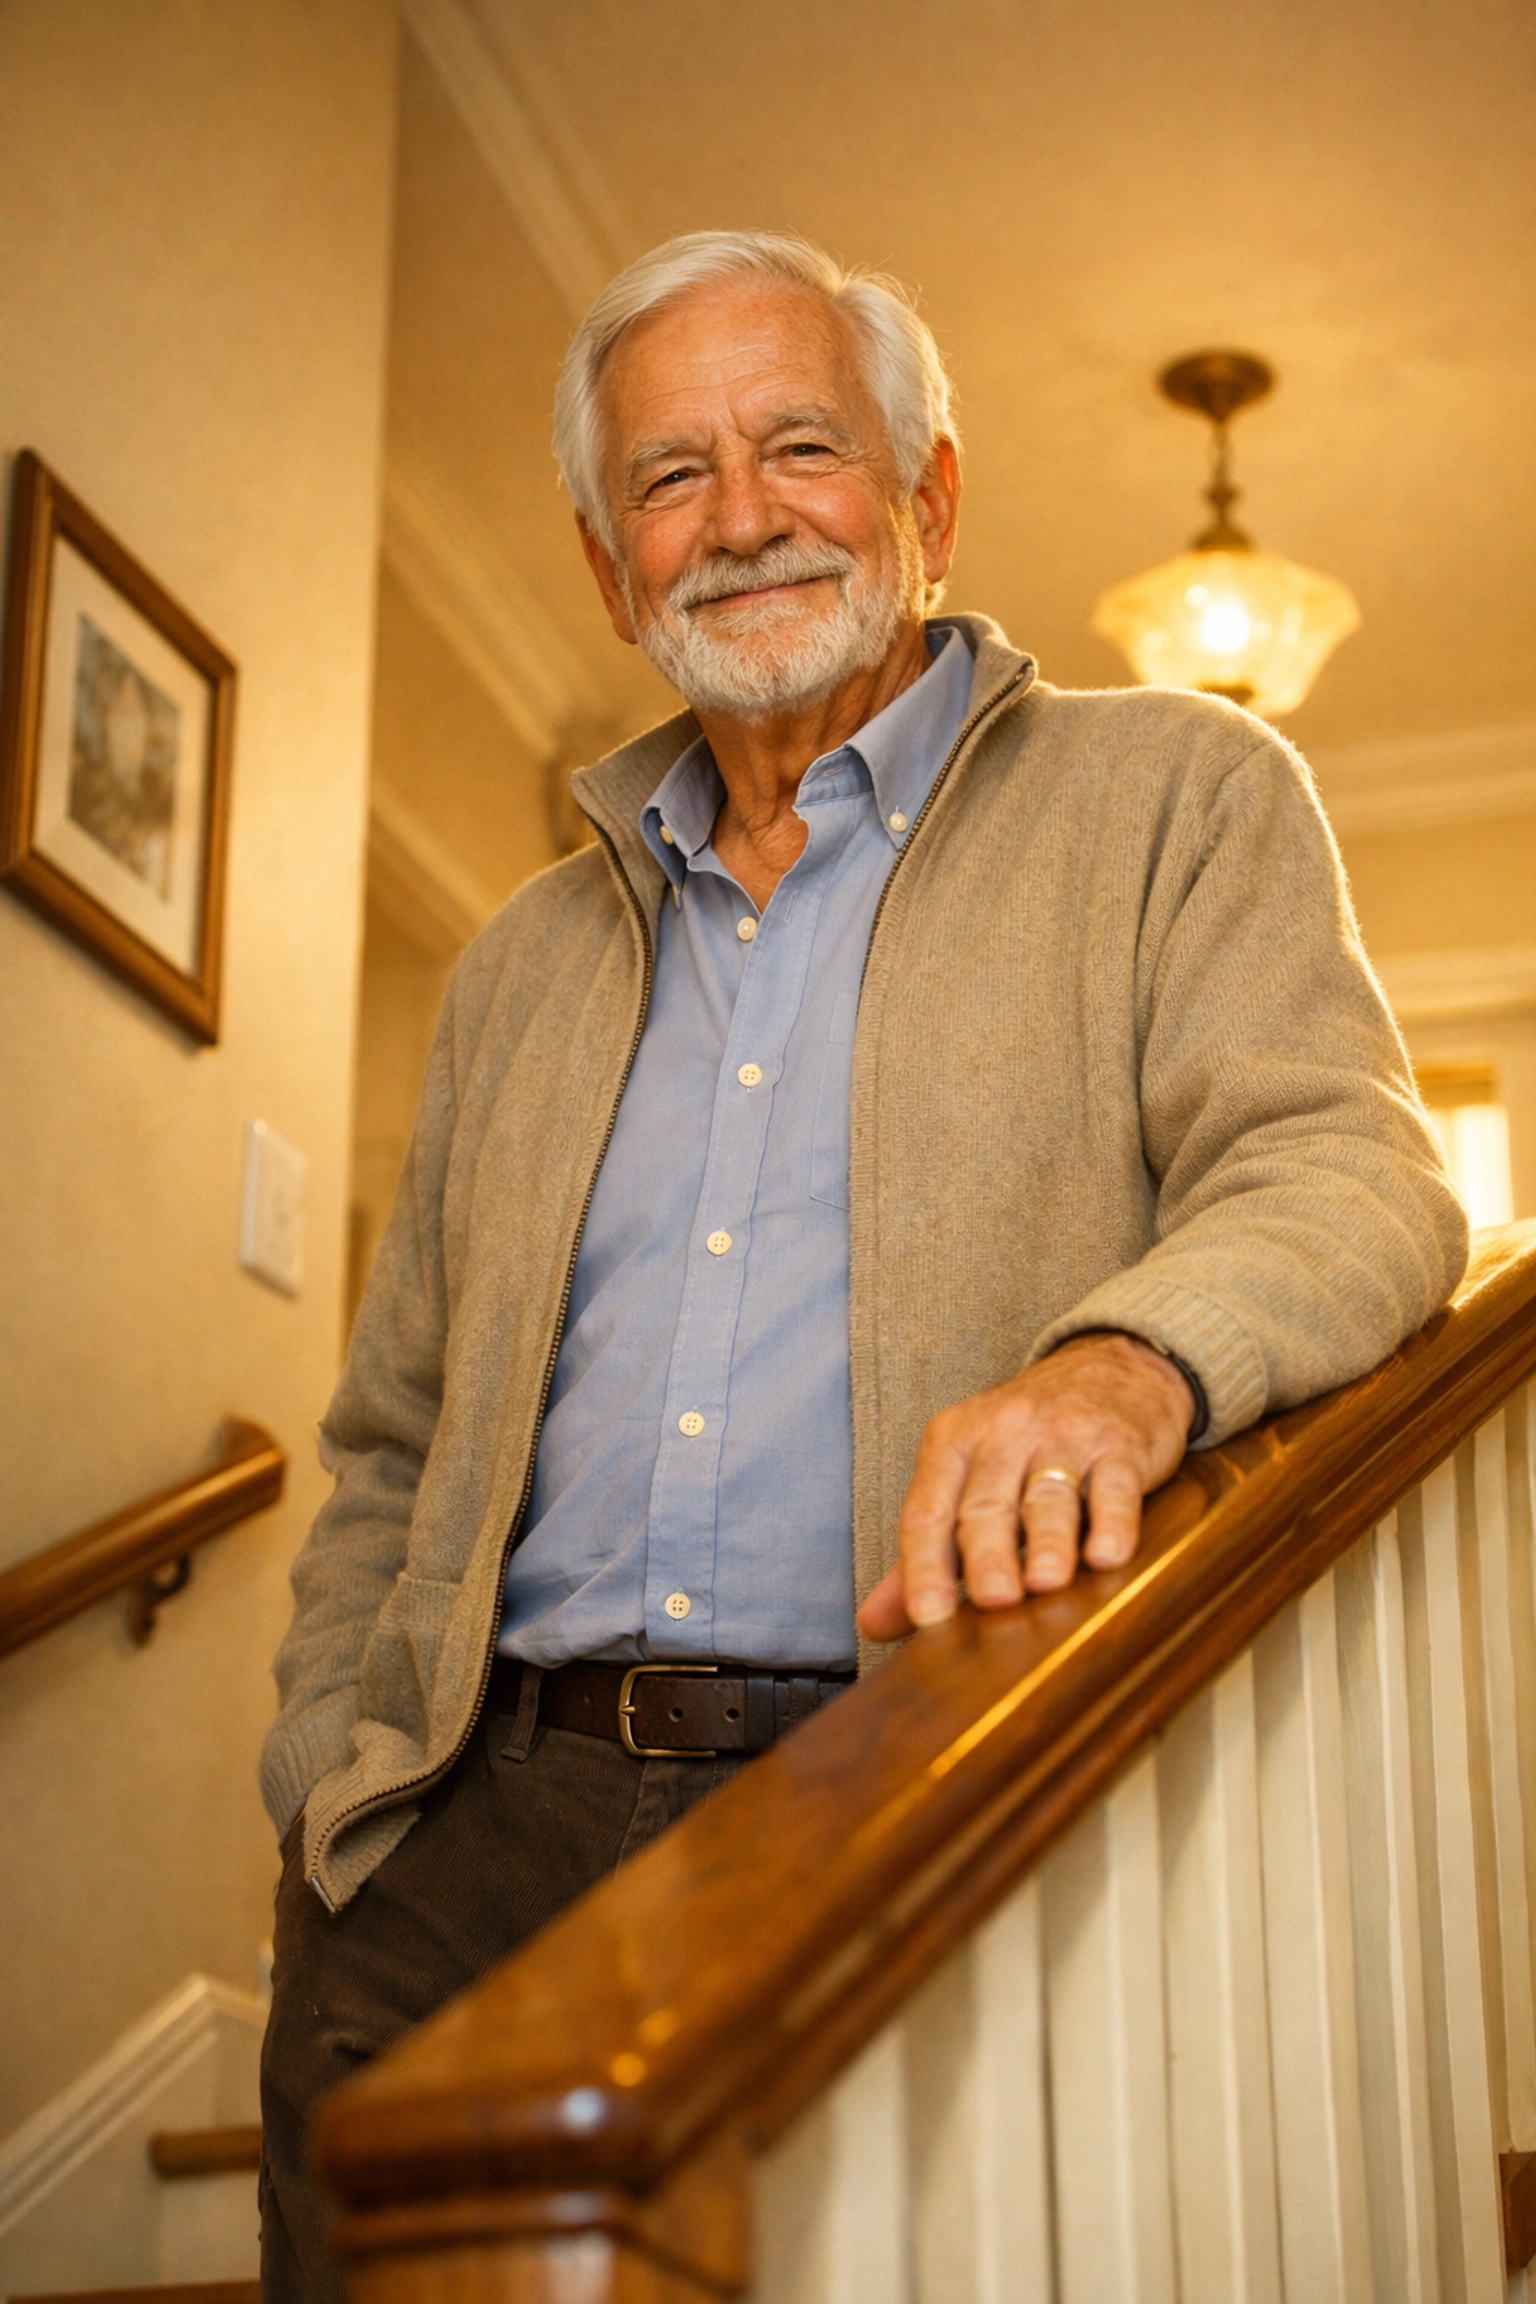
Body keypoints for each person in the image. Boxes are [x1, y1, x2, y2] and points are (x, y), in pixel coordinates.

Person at [257, 230, 1466, 2300]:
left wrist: (1122, 1369)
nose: (739, 519)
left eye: (801, 445)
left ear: (930, 490)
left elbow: (1355, 1168)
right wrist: (331, 1790)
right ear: (604, 559)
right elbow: (386, 1439)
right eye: (669, 477)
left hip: (913, 1780)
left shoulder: (1175, 794)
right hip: (477, 1829)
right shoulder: (514, 971)